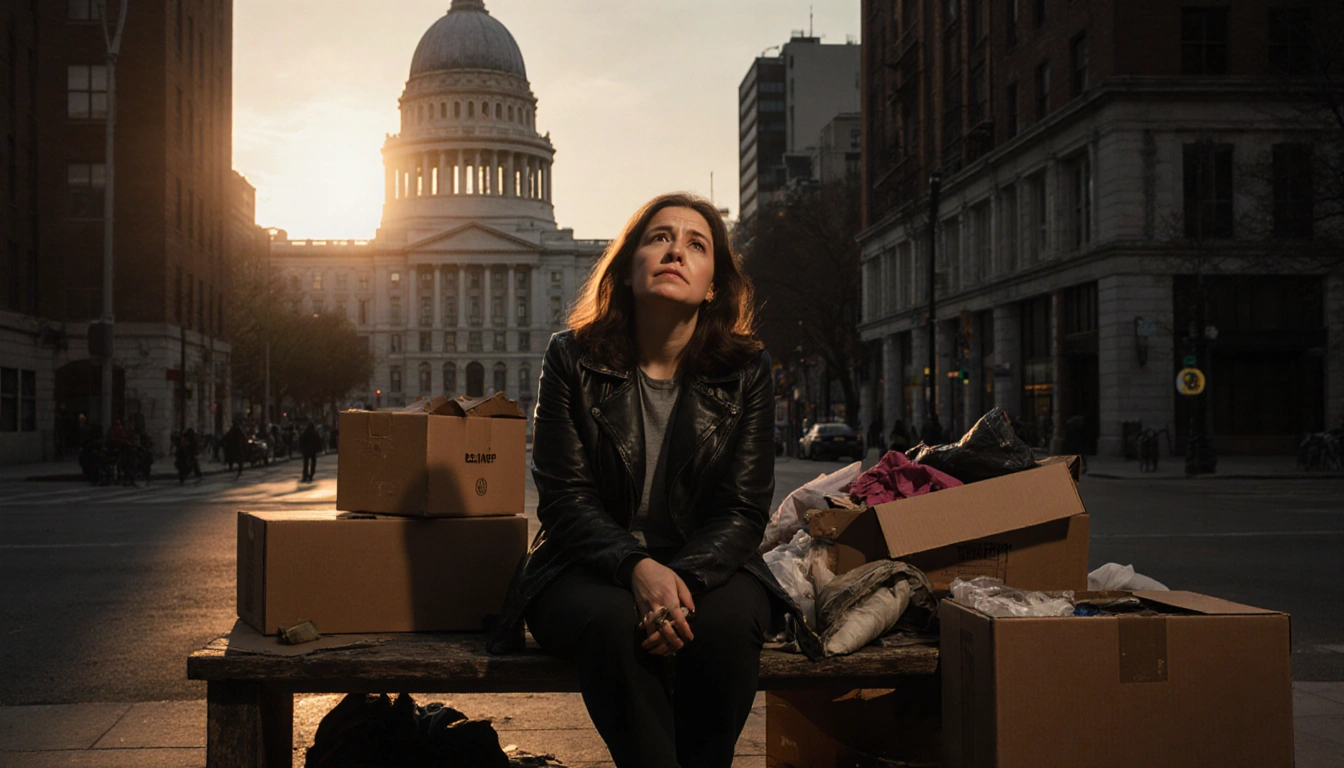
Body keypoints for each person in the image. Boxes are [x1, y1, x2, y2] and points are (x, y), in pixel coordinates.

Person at [489, 193, 804, 768]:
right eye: (659, 238)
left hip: (708, 565)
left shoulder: (746, 370)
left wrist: (674, 585)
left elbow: (742, 509)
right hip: (584, 566)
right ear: (628, 268)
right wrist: (636, 569)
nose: (675, 250)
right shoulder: (570, 359)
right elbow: (565, 501)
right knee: (614, 623)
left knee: (729, 624)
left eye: (696, 243)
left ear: (713, 284)